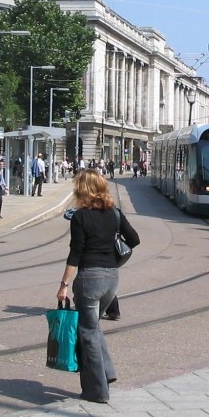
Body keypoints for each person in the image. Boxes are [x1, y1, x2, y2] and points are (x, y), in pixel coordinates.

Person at [57, 170, 140, 403]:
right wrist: (111, 258)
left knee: (87, 332)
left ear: (82, 189)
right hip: (112, 278)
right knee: (92, 326)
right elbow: (133, 239)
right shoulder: (114, 213)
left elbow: (76, 253)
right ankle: (107, 373)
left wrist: (64, 284)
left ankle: (97, 391)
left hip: (89, 279)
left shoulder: (80, 217)